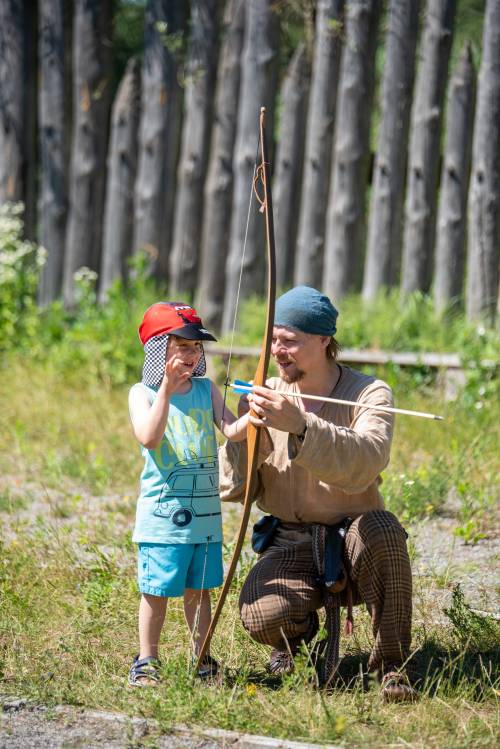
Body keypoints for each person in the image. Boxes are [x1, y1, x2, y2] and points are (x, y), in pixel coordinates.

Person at [218, 286, 417, 702]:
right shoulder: (266, 392)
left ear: (325, 340)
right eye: (273, 339)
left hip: (354, 540)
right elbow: (236, 489)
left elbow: (366, 460)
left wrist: (302, 425)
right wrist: (240, 438)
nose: (277, 350)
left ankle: (392, 667)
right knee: (259, 614)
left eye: (289, 340)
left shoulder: (371, 394)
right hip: (290, 541)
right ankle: (296, 639)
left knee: (384, 529)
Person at [128, 302, 248, 687]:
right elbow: (149, 436)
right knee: (157, 590)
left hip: (205, 517)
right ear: (158, 350)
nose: (190, 354)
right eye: (181, 346)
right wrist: (166, 387)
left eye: (195, 347)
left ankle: (202, 659)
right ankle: (147, 660)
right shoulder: (142, 392)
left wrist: (255, 411)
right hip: (164, 517)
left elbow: (232, 430)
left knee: (200, 591)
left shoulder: (205, 389)